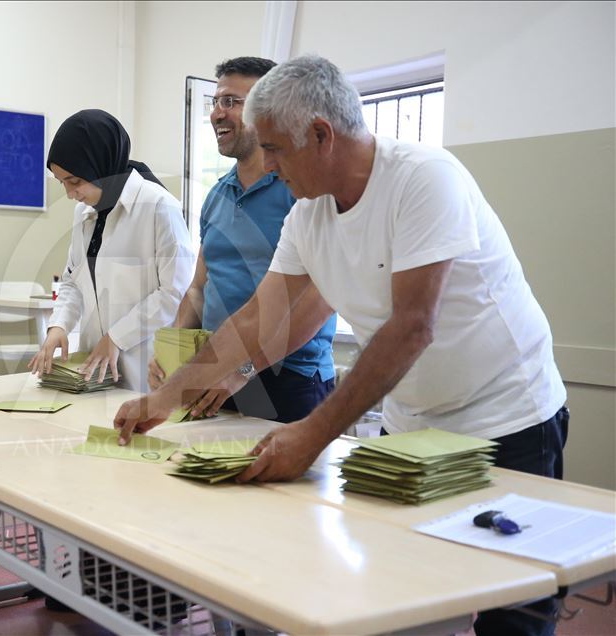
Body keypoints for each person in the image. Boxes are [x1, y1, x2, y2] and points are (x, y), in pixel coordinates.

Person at [113, 55, 567, 636]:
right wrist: (166, 396)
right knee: (402, 596)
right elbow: (256, 319)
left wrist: (312, 434)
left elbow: (412, 327)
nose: (269, 165)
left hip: (508, 418)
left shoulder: (424, 179)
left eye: (275, 149)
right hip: (415, 425)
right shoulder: (309, 215)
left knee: (515, 612)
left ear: (322, 135)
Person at [148, 56, 335, 423]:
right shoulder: (217, 196)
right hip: (219, 374)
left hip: (290, 378)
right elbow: (199, 288)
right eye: (216, 102)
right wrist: (172, 349)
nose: (218, 113)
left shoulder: (302, 191)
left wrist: (244, 369)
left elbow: (321, 299)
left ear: (268, 110)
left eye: (231, 102)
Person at [28, 109, 195, 394]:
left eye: (74, 181)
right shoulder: (85, 213)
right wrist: (59, 326)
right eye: (61, 182)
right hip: (94, 367)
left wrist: (117, 338)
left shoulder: (159, 206)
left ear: (101, 166)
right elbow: (72, 281)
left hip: (142, 365)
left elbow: (174, 292)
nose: (69, 194)